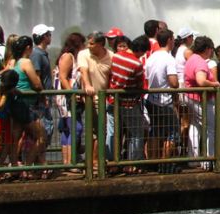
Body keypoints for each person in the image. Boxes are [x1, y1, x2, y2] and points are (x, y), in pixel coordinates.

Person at [110, 35, 150, 173]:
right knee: (137, 133)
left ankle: (112, 162)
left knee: (114, 133)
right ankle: (133, 164)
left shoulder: (116, 56)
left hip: (112, 101)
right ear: (140, 50)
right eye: (143, 53)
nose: (142, 56)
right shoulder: (136, 64)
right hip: (129, 103)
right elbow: (140, 84)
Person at [144, 29, 179, 172]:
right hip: (165, 101)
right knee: (172, 132)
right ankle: (165, 162)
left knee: (155, 131)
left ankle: (153, 161)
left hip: (151, 100)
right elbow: (174, 83)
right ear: (170, 40)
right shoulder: (169, 59)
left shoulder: (151, 57)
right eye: (173, 39)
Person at [184, 36, 220, 169]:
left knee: (195, 126)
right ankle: (208, 160)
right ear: (207, 49)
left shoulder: (191, 59)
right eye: (211, 49)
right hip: (201, 100)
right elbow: (201, 80)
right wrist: (214, 83)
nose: (212, 52)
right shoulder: (200, 62)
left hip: (191, 97)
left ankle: (192, 159)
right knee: (210, 128)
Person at [78, 31, 114, 166]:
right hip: (90, 98)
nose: (88, 45)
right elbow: (83, 71)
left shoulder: (111, 56)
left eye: (92, 43)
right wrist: (87, 86)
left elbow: (113, 76)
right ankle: (94, 161)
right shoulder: (83, 54)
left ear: (100, 44)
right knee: (96, 130)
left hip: (105, 98)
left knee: (100, 130)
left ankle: (94, 161)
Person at [11, 36, 46, 173]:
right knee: (41, 136)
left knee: (16, 138)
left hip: (16, 104)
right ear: (28, 48)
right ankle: (27, 165)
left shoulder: (14, 62)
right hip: (26, 105)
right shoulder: (26, 62)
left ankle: (16, 168)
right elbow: (37, 84)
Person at [55, 32, 86, 168]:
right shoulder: (68, 56)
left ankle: (67, 162)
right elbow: (62, 77)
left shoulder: (69, 57)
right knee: (76, 128)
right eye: (82, 43)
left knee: (68, 129)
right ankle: (71, 162)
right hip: (66, 98)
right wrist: (72, 94)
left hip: (66, 97)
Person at [30, 23, 56, 145]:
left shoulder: (42, 53)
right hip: (41, 100)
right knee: (44, 131)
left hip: (45, 98)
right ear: (44, 37)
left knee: (46, 130)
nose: (51, 37)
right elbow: (36, 76)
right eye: (49, 34)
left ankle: (40, 159)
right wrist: (43, 96)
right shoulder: (37, 54)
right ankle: (34, 160)